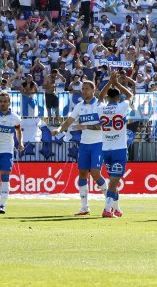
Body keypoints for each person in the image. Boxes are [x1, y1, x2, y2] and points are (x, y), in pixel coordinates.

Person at [52, 80, 108, 215]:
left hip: (98, 143)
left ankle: (110, 202)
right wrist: (59, 129)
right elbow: (69, 121)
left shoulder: (100, 105)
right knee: (82, 173)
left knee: (95, 173)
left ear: (93, 90)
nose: (84, 91)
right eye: (83, 89)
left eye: (87, 89)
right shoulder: (79, 106)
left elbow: (103, 125)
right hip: (84, 144)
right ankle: (84, 207)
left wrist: (86, 126)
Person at [99, 72, 134, 218]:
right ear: (118, 98)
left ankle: (117, 209)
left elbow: (100, 97)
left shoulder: (101, 108)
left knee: (113, 180)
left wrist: (109, 82)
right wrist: (117, 83)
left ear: (108, 98)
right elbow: (130, 95)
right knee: (114, 181)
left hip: (106, 149)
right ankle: (107, 210)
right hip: (119, 149)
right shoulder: (122, 107)